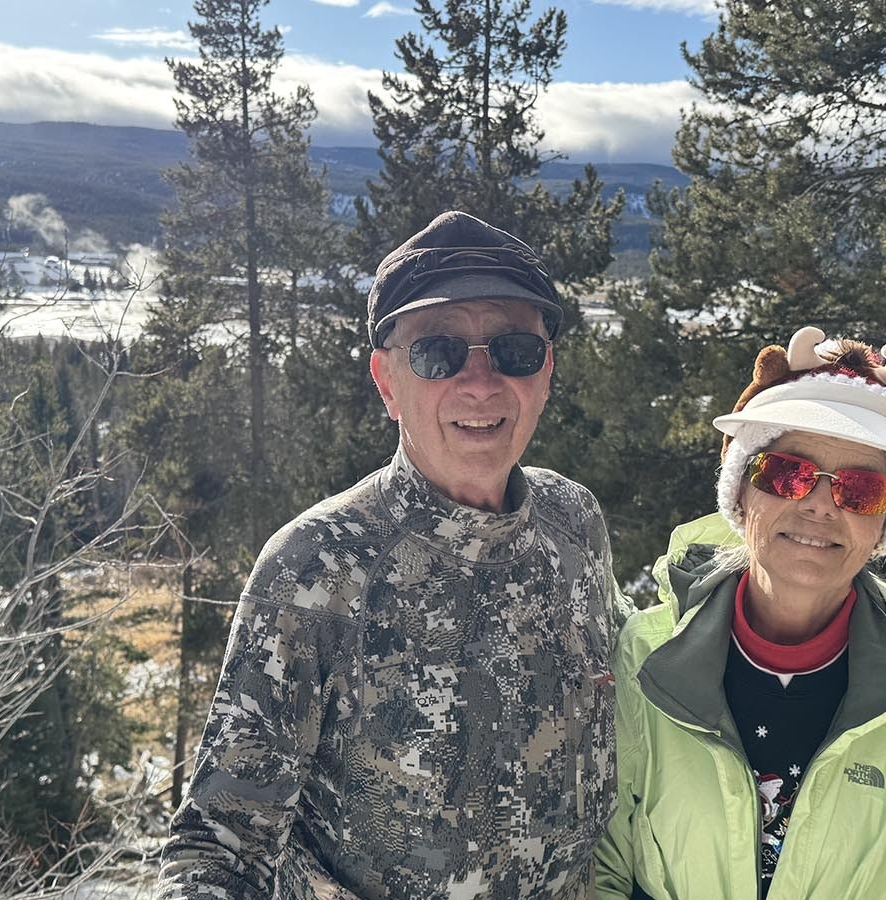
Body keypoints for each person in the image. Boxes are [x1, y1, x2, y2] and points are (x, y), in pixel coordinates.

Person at [157, 211, 629, 898]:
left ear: (546, 371)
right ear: (386, 383)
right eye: (438, 352)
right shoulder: (317, 567)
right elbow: (218, 852)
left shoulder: (573, 523)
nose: (480, 381)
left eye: (514, 350)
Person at [593, 327, 886, 899]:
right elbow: (599, 869)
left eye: (861, 490)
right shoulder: (645, 657)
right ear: (741, 493)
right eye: (786, 473)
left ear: (885, 524)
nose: (817, 504)